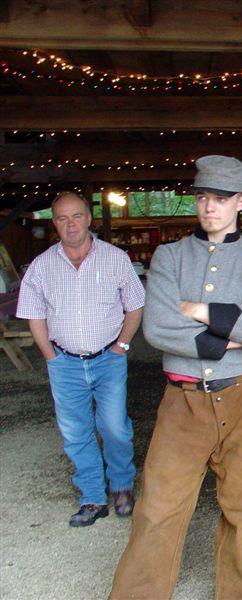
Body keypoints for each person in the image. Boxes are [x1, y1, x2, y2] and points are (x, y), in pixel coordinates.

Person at [109, 156, 242, 599]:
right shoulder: (170, 257)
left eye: (222, 199)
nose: (210, 206)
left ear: (241, 202)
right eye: (203, 196)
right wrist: (234, 329)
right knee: (157, 509)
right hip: (183, 399)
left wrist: (196, 310)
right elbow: (158, 329)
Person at [16, 191, 145, 527]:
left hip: (108, 358)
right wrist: (51, 357)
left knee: (114, 427)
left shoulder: (115, 258)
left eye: (76, 216)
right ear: (54, 223)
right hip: (65, 362)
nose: (70, 224)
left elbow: (135, 306)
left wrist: (122, 346)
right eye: (62, 218)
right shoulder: (41, 266)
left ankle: (121, 486)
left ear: (88, 218)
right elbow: (34, 316)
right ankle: (92, 497)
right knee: (76, 432)